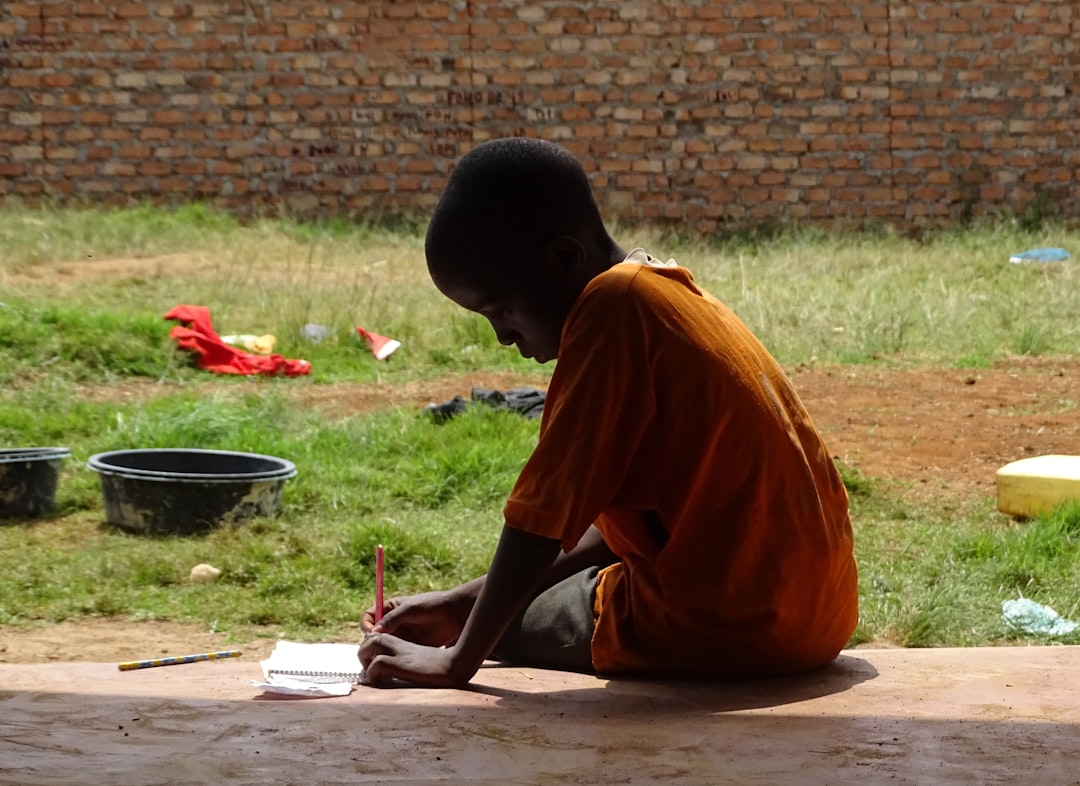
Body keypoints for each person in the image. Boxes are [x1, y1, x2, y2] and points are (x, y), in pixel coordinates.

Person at [359, 137, 858, 687]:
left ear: (566, 258)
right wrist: (459, 599)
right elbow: (622, 529)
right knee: (509, 601)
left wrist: (458, 655)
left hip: (730, 624)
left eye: (501, 309)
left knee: (511, 620)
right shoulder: (670, 295)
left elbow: (542, 522)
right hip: (815, 614)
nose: (502, 336)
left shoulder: (611, 308)